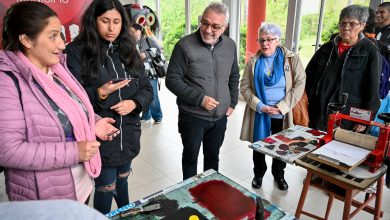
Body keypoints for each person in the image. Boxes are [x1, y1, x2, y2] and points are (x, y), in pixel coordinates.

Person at [0, 2, 118, 203]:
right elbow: (8, 151)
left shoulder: (57, 70)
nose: (62, 44)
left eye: (61, 35)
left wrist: (94, 121)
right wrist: (74, 152)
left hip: (80, 186)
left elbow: (70, 109)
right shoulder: (7, 82)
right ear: (26, 39)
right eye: (53, 36)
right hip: (48, 197)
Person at [66, 0, 153, 214]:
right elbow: (70, 99)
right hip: (100, 137)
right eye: (105, 21)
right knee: (105, 188)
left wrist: (134, 103)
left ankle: (127, 214)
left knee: (123, 181)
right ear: (93, 20)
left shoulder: (128, 48)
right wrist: (100, 93)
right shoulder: (77, 52)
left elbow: (146, 88)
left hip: (129, 131)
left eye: (117, 22)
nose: (112, 28)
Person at [166, 2, 240, 180]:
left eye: (215, 26)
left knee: (213, 157)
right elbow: (172, 79)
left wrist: (232, 102)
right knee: (190, 158)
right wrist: (199, 99)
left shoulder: (230, 46)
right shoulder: (184, 46)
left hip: (220, 117)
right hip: (192, 117)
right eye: (205, 23)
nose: (207, 30)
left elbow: (234, 75)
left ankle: (211, 194)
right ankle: (188, 195)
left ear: (225, 27)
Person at [240, 23, 306, 191]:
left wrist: (282, 107)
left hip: (282, 114)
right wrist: (260, 106)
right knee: (259, 146)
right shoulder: (253, 61)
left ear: (278, 40)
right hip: (260, 113)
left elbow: (299, 85)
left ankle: (279, 175)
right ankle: (259, 174)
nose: (265, 44)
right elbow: (245, 87)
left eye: (269, 40)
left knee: (281, 147)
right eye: (261, 40)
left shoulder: (291, 59)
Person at [306, 5, 380, 132]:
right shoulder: (326, 49)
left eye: (352, 24)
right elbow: (307, 77)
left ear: (362, 26)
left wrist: (364, 120)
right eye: (343, 23)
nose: (346, 27)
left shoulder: (369, 51)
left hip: (347, 118)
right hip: (317, 113)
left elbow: (372, 90)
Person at [130, 23, 163, 124]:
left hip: (151, 73)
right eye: (130, 32)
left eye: (133, 31)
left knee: (153, 96)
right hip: (138, 74)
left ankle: (157, 116)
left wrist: (146, 53)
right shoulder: (131, 43)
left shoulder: (148, 39)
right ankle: (146, 115)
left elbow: (159, 50)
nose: (131, 33)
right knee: (143, 95)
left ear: (139, 30)